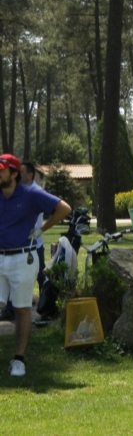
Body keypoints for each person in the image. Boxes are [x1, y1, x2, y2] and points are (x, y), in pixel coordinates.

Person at [0, 154, 71, 377]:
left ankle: (18, 360)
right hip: (0, 257)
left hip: (24, 258)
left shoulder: (31, 193)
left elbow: (64, 208)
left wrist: (43, 228)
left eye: (2, 170)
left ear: (14, 174)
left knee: (22, 308)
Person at [0, 162, 48, 322]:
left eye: (22, 172)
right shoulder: (10, 193)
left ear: (30, 175)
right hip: (10, 249)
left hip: (32, 247)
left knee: (41, 277)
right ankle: (9, 309)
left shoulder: (35, 193)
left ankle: (45, 307)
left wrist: (41, 229)